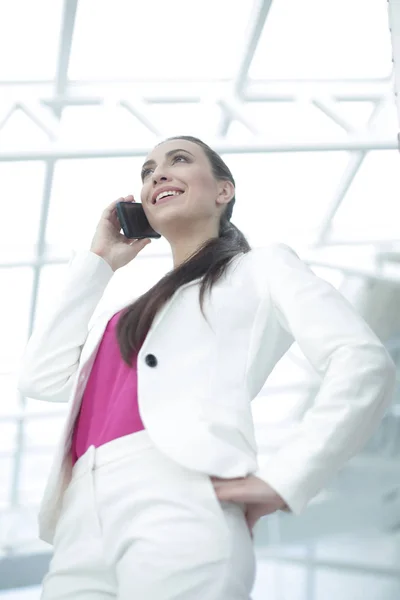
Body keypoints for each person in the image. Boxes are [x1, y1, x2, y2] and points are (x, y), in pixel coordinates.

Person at [17, 136, 396, 600]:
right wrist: (99, 263)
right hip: (80, 516)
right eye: (147, 170)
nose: (156, 174)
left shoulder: (260, 267)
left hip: (178, 494)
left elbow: (361, 359)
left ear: (223, 191)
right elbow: (40, 377)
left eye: (178, 160)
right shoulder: (121, 312)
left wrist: (287, 478)